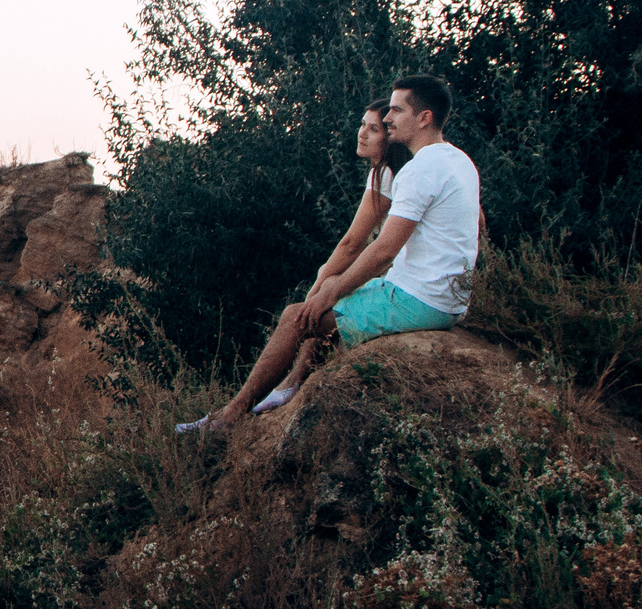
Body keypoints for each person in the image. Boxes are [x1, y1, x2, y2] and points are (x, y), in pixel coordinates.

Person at [182, 75, 480, 433]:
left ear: (424, 118)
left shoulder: (420, 169)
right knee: (329, 301)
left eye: (397, 111)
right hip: (446, 297)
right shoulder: (460, 161)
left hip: (421, 300)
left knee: (296, 317)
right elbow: (476, 225)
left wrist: (332, 288)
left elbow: (383, 250)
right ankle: (289, 388)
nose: (388, 118)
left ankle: (230, 416)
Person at [243, 100, 410, 415]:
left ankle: (275, 390)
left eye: (374, 129)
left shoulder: (387, 174)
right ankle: (293, 381)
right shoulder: (396, 171)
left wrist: (321, 280)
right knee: (330, 290)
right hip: (402, 275)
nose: (362, 134)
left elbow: (352, 243)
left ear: (390, 138)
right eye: (362, 124)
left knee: (316, 299)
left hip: (401, 283)